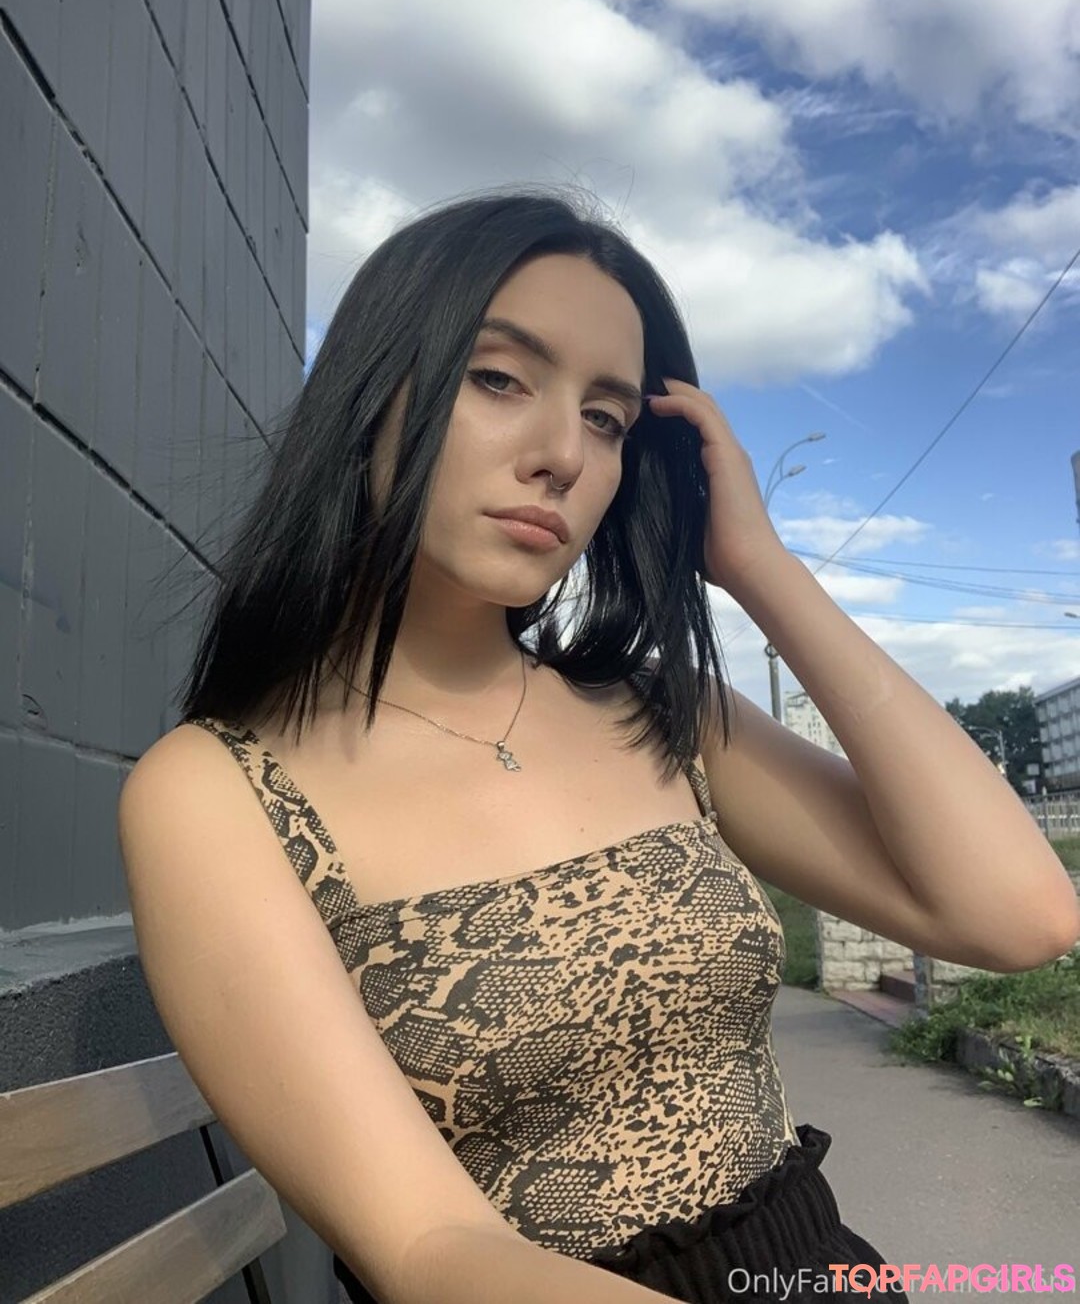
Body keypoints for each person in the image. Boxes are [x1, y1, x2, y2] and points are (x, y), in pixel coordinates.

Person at [118, 189, 1080, 1304]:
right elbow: (428, 1247)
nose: (563, 455)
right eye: (499, 378)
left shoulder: (662, 714)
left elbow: (1020, 914)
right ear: (371, 392)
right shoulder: (219, 792)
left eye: (608, 418)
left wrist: (762, 568)